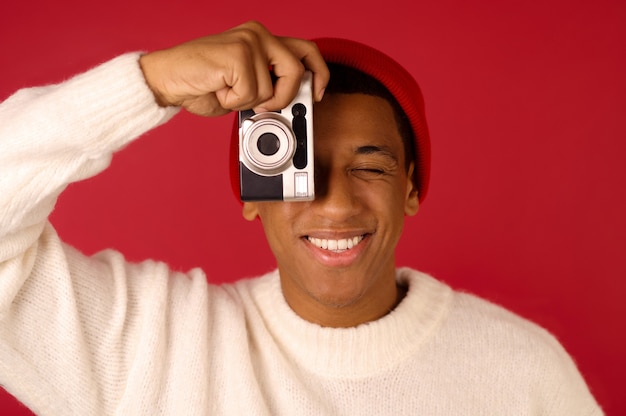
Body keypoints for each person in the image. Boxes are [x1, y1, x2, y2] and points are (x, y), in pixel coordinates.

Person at [0, 20, 603, 415]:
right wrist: (149, 83)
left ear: (412, 187)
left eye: (371, 168)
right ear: (250, 193)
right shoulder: (146, 346)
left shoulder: (520, 371)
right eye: (296, 168)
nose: (336, 205)